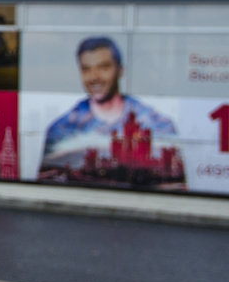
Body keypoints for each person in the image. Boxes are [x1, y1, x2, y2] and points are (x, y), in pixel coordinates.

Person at [38, 35, 185, 186]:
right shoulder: (61, 129)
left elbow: (175, 189)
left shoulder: (159, 125)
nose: (94, 77)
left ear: (120, 71)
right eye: (86, 69)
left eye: (104, 67)